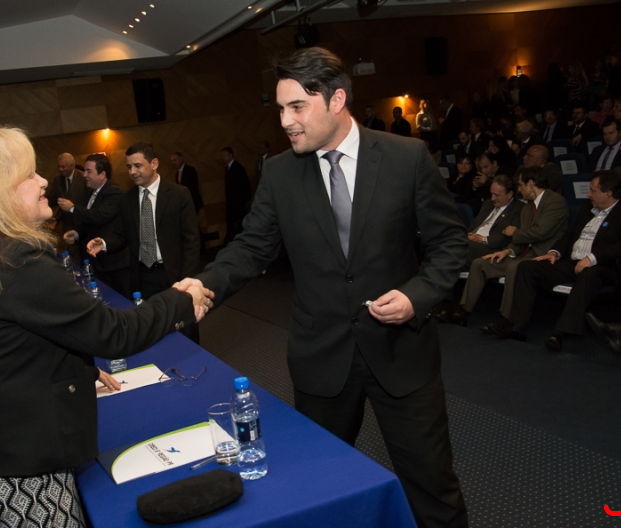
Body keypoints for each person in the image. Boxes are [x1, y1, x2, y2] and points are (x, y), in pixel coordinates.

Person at [176, 47, 468, 527]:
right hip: (322, 357)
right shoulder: (279, 172)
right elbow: (252, 247)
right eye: (280, 109)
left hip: (402, 355)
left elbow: (450, 243)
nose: (286, 121)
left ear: (336, 100)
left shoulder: (406, 157)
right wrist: (205, 284)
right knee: (319, 488)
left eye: (297, 107)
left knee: (432, 488)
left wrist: (416, 296)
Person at [0, 127, 213, 527]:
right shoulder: (17, 262)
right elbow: (115, 333)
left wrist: (76, 368)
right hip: (12, 470)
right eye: (28, 175)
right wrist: (181, 300)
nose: (43, 181)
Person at [502, 171, 621, 350]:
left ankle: (561, 333)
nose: (588, 194)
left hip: (604, 266)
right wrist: (554, 252)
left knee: (588, 275)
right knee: (527, 268)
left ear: (608, 193)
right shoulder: (587, 210)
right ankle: (517, 326)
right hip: (573, 262)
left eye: (593, 190)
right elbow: (570, 236)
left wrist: (592, 258)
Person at [87, 142, 201, 340]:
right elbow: (121, 235)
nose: (132, 171)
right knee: (150, 331)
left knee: (184, 328)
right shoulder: (127, 200)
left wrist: (187, 279)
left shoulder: (179, 194)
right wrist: (103, 244)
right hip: (142, 277)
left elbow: (191, 240)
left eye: (137, 165)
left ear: (154, 164)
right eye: (129, 166)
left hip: (173, 275)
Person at [450, 167, 568, 329]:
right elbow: (523, 238)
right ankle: (463, 313)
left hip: (542, 255)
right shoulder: (528, 207)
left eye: (521, 185)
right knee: (480, 264)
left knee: (514, 268)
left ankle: (506, 320)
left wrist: (515, 233)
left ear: (531, 184)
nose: (519, 190)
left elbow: (540, 232)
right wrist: (507, 250)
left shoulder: (555, 201)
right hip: (522, 253)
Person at [61, 154, 130, 297]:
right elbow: (89, 222)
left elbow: (99, 216)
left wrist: (72, 208)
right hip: (98, 262)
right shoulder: (92, 192)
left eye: (88, 171)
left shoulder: (114, 192)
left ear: (102, 174)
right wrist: (76, 233)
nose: (84, 175)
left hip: (114, 263)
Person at [47, 153, 88, 264]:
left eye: (63, 166)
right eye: (59, 166)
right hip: (68, 226)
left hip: (84, 225)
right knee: (74, 258)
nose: (60, 169)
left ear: (72, 165)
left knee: (87, 255)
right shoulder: (57, 181)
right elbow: (54, 201)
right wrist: (55, 218)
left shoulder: (84, 178)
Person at [221, 146, 251, 243]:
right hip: (232, 203)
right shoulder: (228, 168)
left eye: (224, 155)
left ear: (231, 155)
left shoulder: (238, 168)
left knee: (238, 226)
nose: (223, 158)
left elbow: (245, 186)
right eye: (222, 156)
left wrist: (243, 201)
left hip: (238, 204)